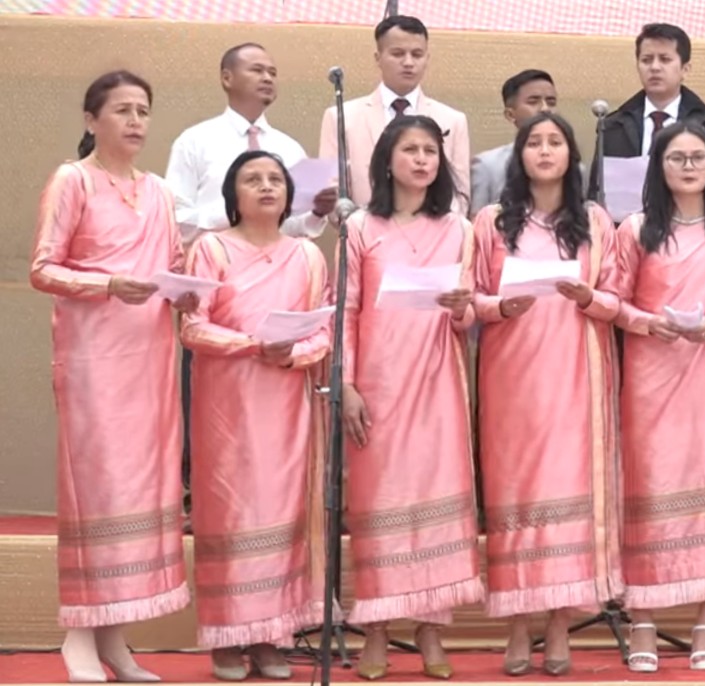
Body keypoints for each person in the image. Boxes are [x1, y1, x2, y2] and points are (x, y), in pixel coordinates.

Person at [31, 69, 198, 683]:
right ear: (90, 118)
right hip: (93, 361)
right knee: (96, 488)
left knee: (141, 491)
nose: (135, 122)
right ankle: (77, 630)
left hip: (151, 360)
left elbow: (173, 266)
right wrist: (108, 284)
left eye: (143, 111)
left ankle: (115, 636)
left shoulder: (158, 191)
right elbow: (44, 269)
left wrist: (186, 294)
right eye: (122, 110)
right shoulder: (73, 179)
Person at [605, 121, 705, 673]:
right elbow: (612, 302)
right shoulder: (636, 229)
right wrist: (650, 324)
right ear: (660, 166)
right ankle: (643, 616)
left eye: (698, 157)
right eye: (677, 158)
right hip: (652, 377)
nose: (689, 166)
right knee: (652, 487)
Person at [470, 112, 623, 677]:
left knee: (569, 495)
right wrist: (498, 308)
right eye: (533, 142)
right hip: (512, 377)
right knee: (517, 495)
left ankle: (560, 623)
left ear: (571, 155)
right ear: (519, 154)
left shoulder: (594, 221)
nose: (544, 150)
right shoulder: (490, 221)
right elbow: (471, 300)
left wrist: (588, 296)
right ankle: (517, 621)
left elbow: (618, 300)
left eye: (555, 141)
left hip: (577, 374)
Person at [339, 115, 483, 680]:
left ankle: (430, 629)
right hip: (377, 384)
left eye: (430, 151)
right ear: (387, 160)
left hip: (437, 383)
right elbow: (346, 310)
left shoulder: (458, 228)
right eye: (411, 150)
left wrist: (460, 308)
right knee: (382, 504)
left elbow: (468, 316)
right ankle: (376, 628)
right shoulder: (360, 229)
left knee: (436, 503)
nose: (422, 160)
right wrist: (347, 384)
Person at [180, 151, 331, 681]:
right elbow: (191, 328)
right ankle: (228, 636)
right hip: (228, 405)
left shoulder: (308, 256)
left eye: (275, 179)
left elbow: (324, 331)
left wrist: (290, 354)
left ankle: (271, 635)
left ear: (290, 194)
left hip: (287, 403)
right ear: (232, 194)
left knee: (281, 511)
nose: (266, 187)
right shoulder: (211, 249)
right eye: (253, 179)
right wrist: (251, 344)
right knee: (231, 510)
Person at [166, 43, 335, 244]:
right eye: (257, 70)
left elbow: (292, 227)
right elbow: (175, 218)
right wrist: (236, 214)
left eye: (272, 73)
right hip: (213, 263)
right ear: (227, 78)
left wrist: (316, 212)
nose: (267, 78)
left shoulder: (290, 148)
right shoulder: (194, 141)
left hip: (275, 266)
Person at [320, 15, 471, 215]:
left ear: (427, 59)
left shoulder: (453, 120)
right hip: (365, 236)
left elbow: (460, 193)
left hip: (435, 238)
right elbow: (331, 191)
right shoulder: (341, 116)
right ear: (378, 58)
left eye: (417, 54)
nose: (408, 62)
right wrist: (365, 227)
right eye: (398, 53)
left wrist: (433, 227)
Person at [589, 23, 705, 215]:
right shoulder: (612, 126)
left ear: (685, 69)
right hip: (628, 234)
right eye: (646, 60)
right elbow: (596, 192)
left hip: (692, 233)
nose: (654, 67)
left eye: (665, 59)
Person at [470, 69, 559, 214]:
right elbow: (477, 224)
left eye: (551, 102)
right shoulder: (487, 165)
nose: (545, 109)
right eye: (533, 101)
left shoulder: (573, 166)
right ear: (510, 115)